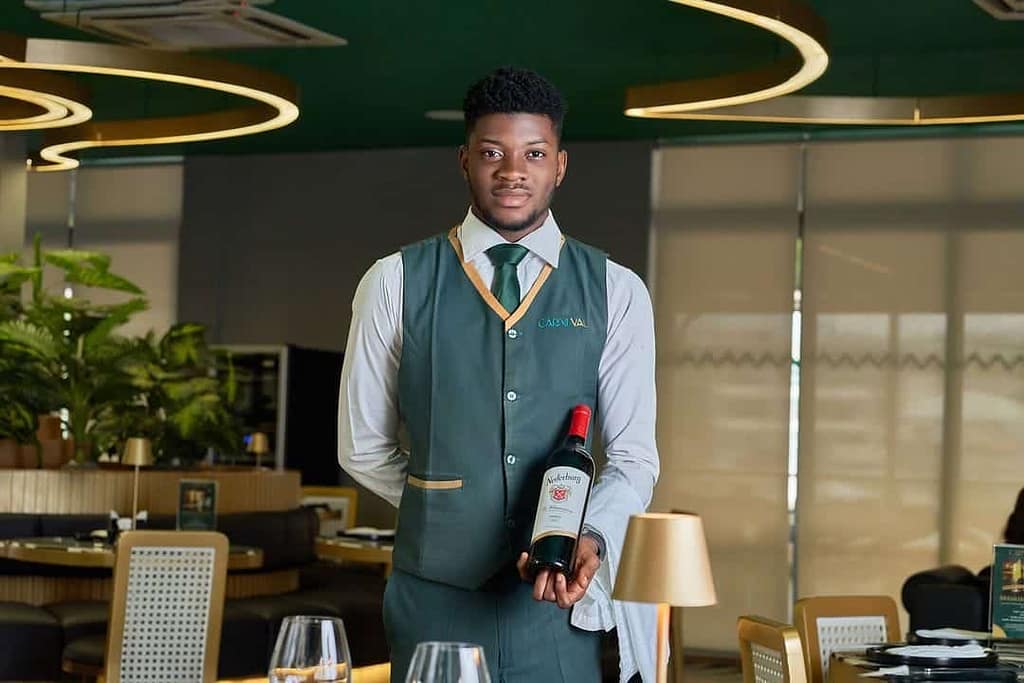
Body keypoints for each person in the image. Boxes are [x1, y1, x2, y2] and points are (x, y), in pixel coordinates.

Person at [338, 67, 659, 683]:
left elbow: (633, 458)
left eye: (534, 154)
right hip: (433, 599)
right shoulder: (394, 281)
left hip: (554, 602)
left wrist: (590, 533)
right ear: (465, 161)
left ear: (559, 165)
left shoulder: (616, 291)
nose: (513, 171)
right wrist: (443, 505)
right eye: (493, 153)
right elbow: (361, 447)